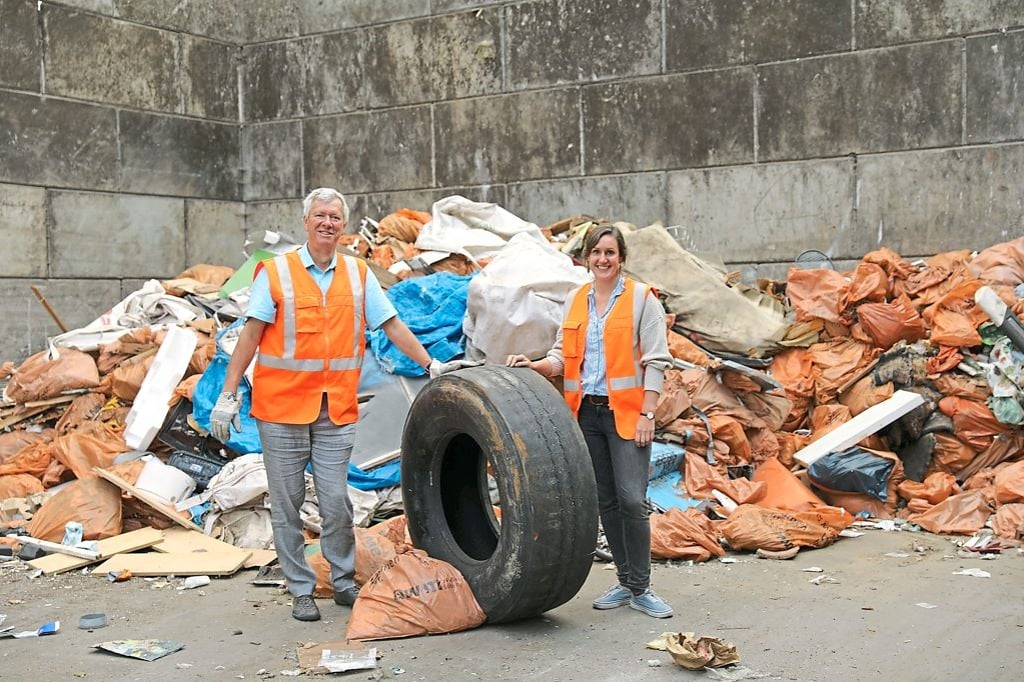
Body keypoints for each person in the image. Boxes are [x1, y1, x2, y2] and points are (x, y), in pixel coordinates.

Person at [210, 187, 458, 622]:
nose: (327, 223)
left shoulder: (358, 275)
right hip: (281, 410)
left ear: (343, 227)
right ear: (305, 222)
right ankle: (301, 588)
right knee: (286, 504)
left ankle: (342, 581)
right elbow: (249, 336)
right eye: (320, 215)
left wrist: (431, 363)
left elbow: (392, 325)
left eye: (335, 218)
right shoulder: (277, 273)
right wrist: (228, 396)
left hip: (335, 408)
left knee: (335, 502)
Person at [506, 224, 674, 618]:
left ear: (622, 258)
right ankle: (625, 579)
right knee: (607, 501)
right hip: (587, 414)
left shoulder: (640, 299)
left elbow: (656, 360)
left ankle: (642, 586)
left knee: (632, 499)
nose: (603, 259)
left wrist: (649, 413)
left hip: (629, 413)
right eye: (596, 252)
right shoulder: (576, 301)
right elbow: (564, 357)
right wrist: (535, 365)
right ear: (585, 257)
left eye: (610, 253)